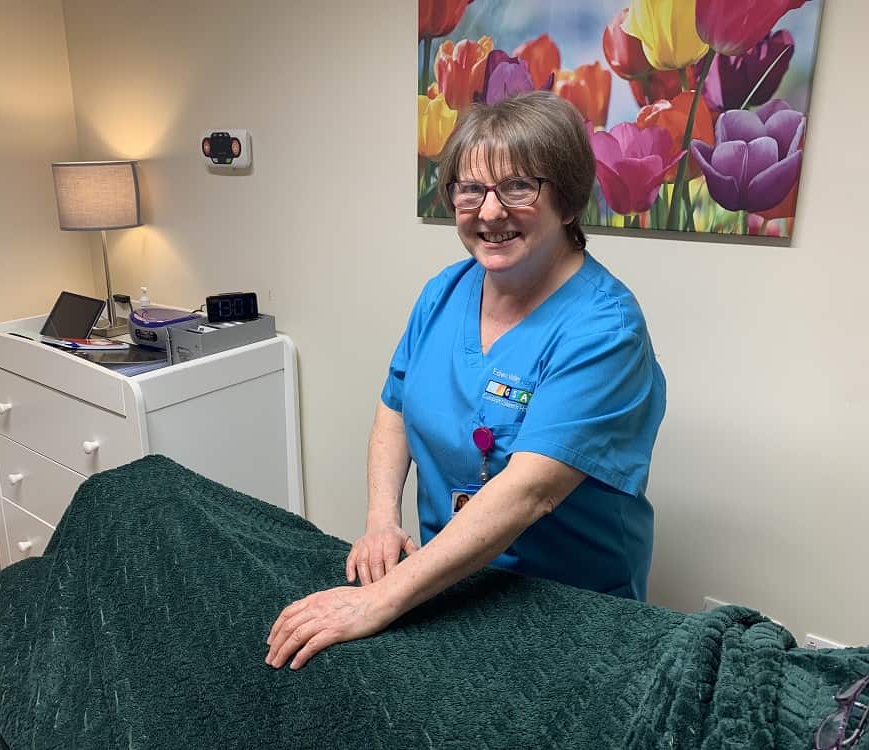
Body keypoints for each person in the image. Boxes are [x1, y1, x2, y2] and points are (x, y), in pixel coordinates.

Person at [266, 91, 666, 671]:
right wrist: (382, 522)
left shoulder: (605, 329)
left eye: (519, 187)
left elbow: (531, 492)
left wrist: (377, 601)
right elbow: (395, 409)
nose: (489, 211)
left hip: (569, 608)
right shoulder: (444, 293)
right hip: (449, 582)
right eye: (469, 188)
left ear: (570, 200)